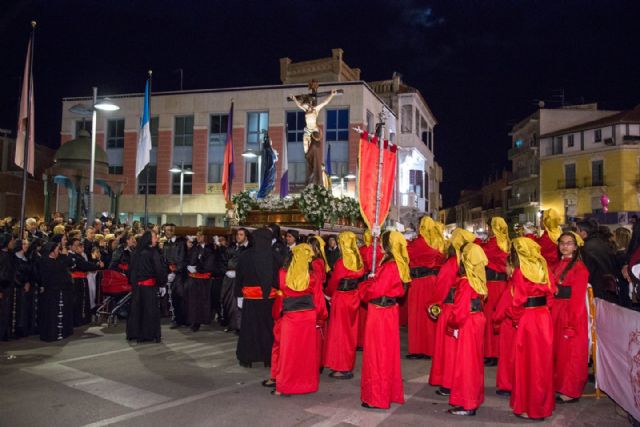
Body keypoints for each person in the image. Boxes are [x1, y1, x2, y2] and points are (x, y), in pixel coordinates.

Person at [359, 231, 408, 409]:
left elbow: (376, 290)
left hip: (380, 313)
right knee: (387, 353)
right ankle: (387, 392)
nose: (379, 245)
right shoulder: (395, 264)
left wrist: (365, 284)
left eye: (382, 243)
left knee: (378, 353)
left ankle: (378, 397)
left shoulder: (390, 266)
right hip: (387, 312)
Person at [509, 237, 556, 420]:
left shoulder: (520, 272)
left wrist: (515, 318)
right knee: (542, 363)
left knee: (528, 364)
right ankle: (542, 405)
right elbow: (551, 296)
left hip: (528, 318)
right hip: (544, 317)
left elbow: (518, 300)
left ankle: (532, 408)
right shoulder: (544, 269)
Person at [428, 228, 476, 396]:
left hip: (452, 310)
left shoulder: (452, 263)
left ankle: (448, 383)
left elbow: (441, 287)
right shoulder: (471, 263)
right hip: (466, 311)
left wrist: (434, 304)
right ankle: (457, 381)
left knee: (449, 349)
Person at [272, 243, 319, 396]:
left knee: (288, 353)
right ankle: (306, 384)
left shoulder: (282, 274)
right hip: (308, 317)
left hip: (290, 317)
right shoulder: (312, 276)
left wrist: (276, 314)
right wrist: (321, 318)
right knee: (305, 353)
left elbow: (280, 296)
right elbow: (318, 300)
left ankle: (285, 386)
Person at [447, 242, 488, 416]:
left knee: (467, 364)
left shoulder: (466, 282)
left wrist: (451, 324)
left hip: (468, 322)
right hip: (477, 320)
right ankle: (473, 399)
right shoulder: (478, 280)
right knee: (474, 362)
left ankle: (468, 403)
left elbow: (460, 310)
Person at [552, 232, 589, 404]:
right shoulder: (559, 264)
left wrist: (571, 324)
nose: (565, 246)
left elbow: (578, 299)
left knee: (571, 353)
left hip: (571, 314)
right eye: (562, 243)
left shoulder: (580, 268)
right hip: (558, 312)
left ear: (575, 246)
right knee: (560, 352)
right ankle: (560, 386)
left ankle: (570, 390)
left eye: (569, 243)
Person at [323, 231, 365, 379]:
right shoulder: (358, 261)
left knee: (340, 333)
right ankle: (346, 364)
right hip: (353, 296)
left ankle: (342, 366)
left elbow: (334, 282)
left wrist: (327, 294)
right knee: (350, 332)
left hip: (341, 298)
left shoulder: (342, 263)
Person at [236, 228, 278, 367]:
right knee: (268, 329)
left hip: (250, 299)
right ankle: (268, 358)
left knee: (249, 328)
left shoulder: (245, 255)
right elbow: (278, 280)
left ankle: (247, 358)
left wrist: (238, 296)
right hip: (269, 300)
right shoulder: (274, 256)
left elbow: (239, 277)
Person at [406, 216, 446, 359]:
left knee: (416, 315)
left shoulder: (419, 242)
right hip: (431, 281)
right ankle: (430, 348)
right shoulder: (438, 243)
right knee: (429, 316)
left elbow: (406, 253)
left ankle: (418, 349)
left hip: (418, 282)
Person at [126, 231, 167, 343]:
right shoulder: (153, 253)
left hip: (137, 288)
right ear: (149, 238)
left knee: (137, 311)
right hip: (149, 288)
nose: (156, 239)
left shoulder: (136, 252)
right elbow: (159, 270)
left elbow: (130, 271)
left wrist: (134, 283)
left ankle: (135, 333)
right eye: (154, 237)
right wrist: (162, 283)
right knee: (149, 311)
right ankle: (148, 334)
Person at [290, 89, 338, 186]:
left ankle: (311, 157)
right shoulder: (305, 110)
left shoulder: (316, 109)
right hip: (308, 130)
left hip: (314, 130)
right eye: (305, 105)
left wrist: (331, 95)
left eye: (307, 105)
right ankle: (307, 156)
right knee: (305, 143)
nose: (305, 106)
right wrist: (294, 99)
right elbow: (299, 105)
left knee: (314, 147)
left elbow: (325, 102)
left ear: (310, 104)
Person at [481, 217, 510, 367]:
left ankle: (493, 353)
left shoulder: (495, 244)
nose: (489, 230)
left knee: (492, 317)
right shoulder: (505, 244)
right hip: (498, 284)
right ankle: (494, 352)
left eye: (490, 227)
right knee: (495, 318)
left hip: (494, 285)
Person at [37, 240, 75, 342]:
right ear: (52, 251)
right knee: (50, 315)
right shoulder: (45, 261)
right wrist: (65, 256)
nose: (59, 251)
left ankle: (61, 332)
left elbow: (69, 264)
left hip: (59, 291)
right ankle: (51, 334)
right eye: (57, 249)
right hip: (51, 292)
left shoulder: (57, 260)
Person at [576, 218, 617, 299]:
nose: (576, 233)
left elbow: (586, 272)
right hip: (608, 287)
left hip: (595, 289)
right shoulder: (603, 242)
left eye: (577, 230)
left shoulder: (585, 248)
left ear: (583, 233)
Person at [220, 228, 250, 333]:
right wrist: (225, 271)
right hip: (228, 279)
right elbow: (223, 261)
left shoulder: (249, 249)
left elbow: (249, 266)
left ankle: (239, 326)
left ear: (246, 236)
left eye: (241, 234)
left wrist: (238, 273)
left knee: (238, 303)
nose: (238, 236)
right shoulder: (232, 247)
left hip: (241, 280)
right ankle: (231, 324)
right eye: (237, 234)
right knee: (227, 301)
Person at [185, 232, 215, 332]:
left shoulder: (210, 249)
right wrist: (189, 266)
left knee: (203, 301)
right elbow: (189, 259)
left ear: (205, 237)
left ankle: (203, 320)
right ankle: (194, 322)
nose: (198, 237)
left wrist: (198, 268)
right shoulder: (194, 248)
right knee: (193, 301)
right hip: (194, 279)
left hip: (204, 280)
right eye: (197, 236)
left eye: (201, 235)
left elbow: (209, 264)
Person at [68, 238, 102, 326]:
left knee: (82, 299)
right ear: (70, 246)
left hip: (81, 279)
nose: (77, 247)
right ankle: (78, 320)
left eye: (78, 245)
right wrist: (96, 265)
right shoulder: (71, 256)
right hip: (76, 280)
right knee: (78, 300)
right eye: (75, 245)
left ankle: (82, 319)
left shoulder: (77, 255)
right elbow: (83, 265)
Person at [309, 235, 329, 371]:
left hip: (315, 297)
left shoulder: (315, 262)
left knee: (316, 331)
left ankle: (316, 361)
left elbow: (317, 281)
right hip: (318, 295)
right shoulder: (319, 261)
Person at [163, 224, 188, 328]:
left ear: (173, 231)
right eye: (165, 230)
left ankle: (182, 319)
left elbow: (182, 259)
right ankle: (177, 319)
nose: (166, 232)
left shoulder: (180, 243)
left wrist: (175, 271)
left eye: (169, 230)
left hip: (179, 274)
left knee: (180, 296)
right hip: (170, 272)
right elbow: (165, 259)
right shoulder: (166, 244)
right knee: (172, 297)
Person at [0, 233, 17, 340]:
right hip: (2, 287)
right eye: (11, 241)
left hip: (9, 286)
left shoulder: (11, 255)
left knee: (7, 312)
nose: (13, 242)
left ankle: (6, 333)